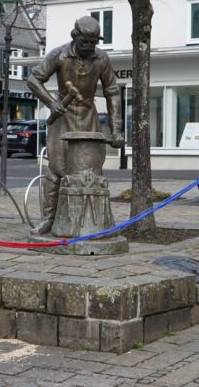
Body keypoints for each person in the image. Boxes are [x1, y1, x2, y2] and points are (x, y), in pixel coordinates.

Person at [25, 15, 124, 235]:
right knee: (56, 171)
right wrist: (51, 103)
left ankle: (99, 222)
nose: (89, 47)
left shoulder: (102, 59)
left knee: (92, 172)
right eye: (85, 42)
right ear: (75, 36)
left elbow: (112, 92)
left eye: (94, 42)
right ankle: (49, 220)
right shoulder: (59, 55)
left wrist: (116, 130)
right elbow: (33, 79)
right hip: (62, 119)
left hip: (89, 118)